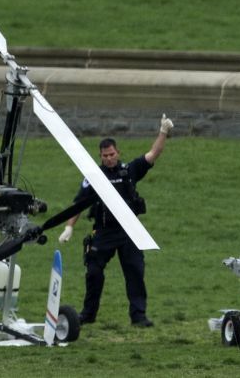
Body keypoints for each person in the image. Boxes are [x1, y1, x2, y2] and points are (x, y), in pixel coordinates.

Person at [58, 114, 174, 327]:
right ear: (100, 157)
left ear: (118, 153)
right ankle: (88, 314)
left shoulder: (129, 171)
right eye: (105, 156)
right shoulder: (94, 177)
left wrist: (163, 132)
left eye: (112, 154)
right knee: (93, 272)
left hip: (129, 231)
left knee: (135, 272)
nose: (109, 158)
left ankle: (138, 316)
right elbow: (79, 204)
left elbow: (154, 153)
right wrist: (69, 227)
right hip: (103, 232)